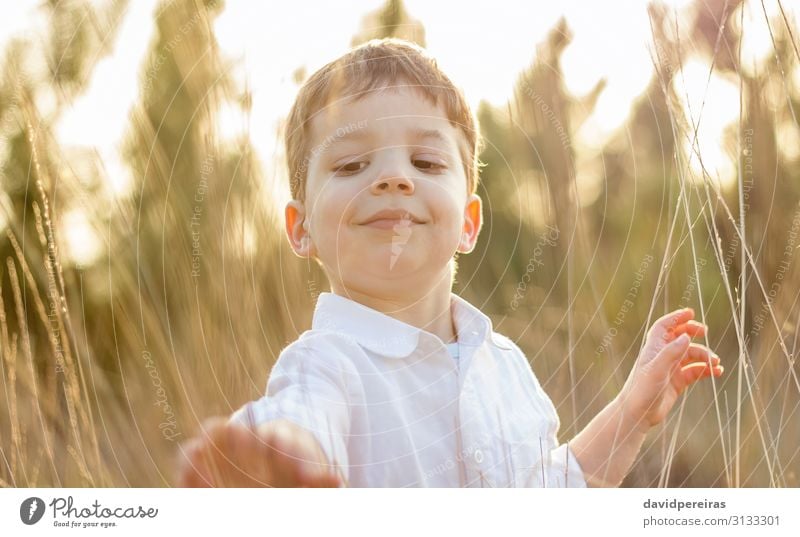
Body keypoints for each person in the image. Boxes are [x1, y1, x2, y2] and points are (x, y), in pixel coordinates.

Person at [177, 38, 723, 488]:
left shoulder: (505, 365)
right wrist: (277, 459)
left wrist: (631, 412)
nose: (394, 178)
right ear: (301, 229)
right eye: (351, 164)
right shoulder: (327, 365)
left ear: (468, 221)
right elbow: (302, 419)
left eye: (426, 160)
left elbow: (553, 493)